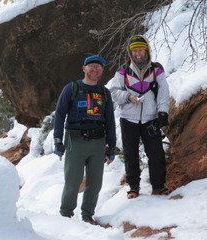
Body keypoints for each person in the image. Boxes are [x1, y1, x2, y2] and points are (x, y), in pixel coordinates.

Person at [53, 55, 116, 225]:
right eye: (92, 66)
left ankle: (87, 215)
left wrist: (112, 146)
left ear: (102, 71)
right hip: (75, 140)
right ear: (84, 68)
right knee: (73, 181)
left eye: (99, 67)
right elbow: (59, 116)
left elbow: (110, 120)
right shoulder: (72, 88)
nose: (95, 69)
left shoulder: (104, 92)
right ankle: (66, 214)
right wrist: (58, 140)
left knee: (95, 183)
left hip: (98, 141)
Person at [109, 35, 171, 199]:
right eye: (134, 50)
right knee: (131, 154)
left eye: (140, 50)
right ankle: (133, 187)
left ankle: (158, 186)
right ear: (130, 52)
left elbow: (163, 92)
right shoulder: (123, 70)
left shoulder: (156, 69)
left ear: (147, 50)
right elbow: (114, 91)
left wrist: (163, 112)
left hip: (150, 119)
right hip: (128, 118)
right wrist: (127, 97)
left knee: (156, 154)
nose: (138, 54)